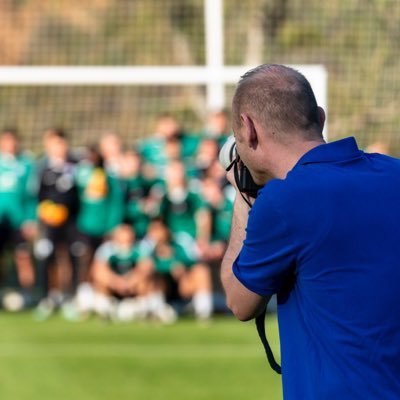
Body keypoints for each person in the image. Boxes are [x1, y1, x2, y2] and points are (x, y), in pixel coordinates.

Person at [221, 64, 400, 399]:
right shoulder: (395, 171)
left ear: (247, 129)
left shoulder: (284, 201)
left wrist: (244, 196)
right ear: (320, 117)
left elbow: (240, 302)